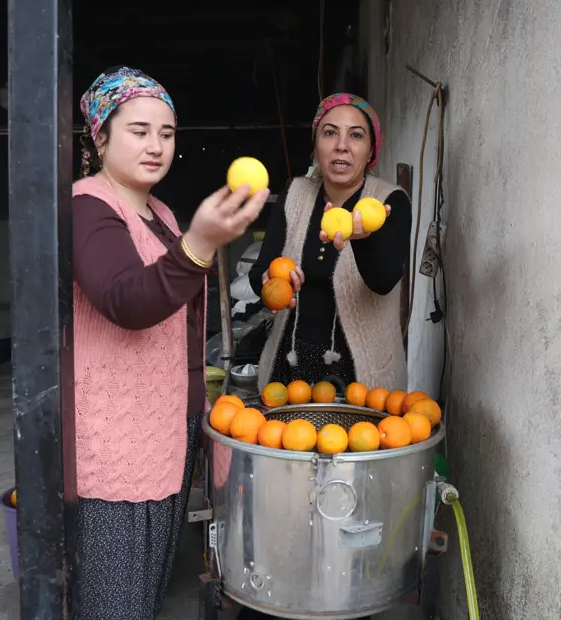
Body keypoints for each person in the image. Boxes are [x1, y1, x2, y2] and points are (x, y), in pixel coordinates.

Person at [70, 66, 268, 620]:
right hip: (115, 442)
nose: (156, 145)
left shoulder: (159, 213)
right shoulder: (87, 206)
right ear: (100, 136)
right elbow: (127, 302)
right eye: (139, 130)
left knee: (147, 592)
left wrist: (195, 415)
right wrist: (201, 243)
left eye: (167, 131)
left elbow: (177, 325)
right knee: (116, 605)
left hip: (166, 433)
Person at [249, 93, 411, 397]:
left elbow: (384, 280)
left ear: (371, 150)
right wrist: (270, 285)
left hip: (364, 375)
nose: (342, 145)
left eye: (356, 135)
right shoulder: (294, 194)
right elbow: (260, 271)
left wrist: (363, 241)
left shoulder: (390, 201)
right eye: (330, 132)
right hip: (291, 368)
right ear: (315, 146)